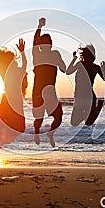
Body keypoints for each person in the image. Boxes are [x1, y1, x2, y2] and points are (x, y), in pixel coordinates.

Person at [0, 38, 27, 150]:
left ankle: (2, 138)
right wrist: (22, 52)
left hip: (12, 99)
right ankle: (1, 138)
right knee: (15, 124)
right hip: (12, 99)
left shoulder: (11, 71)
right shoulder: (9, 71)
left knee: (16, 125)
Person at [32, 18, 66, 147]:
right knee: (40, 118)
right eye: (45, 42)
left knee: (58, 116)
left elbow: (63, 68)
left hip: (48, 93)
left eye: (49, 42)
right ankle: (37, 131)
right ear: (40, 44)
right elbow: (34, 40)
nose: (48, 44)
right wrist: (39, 27)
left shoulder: (54, 54)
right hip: (39, 93)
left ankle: (49, 133)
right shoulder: (37, 54)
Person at [66, 44, 105, 126]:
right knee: (74, 123)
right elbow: (68, 72)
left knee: (89, 122)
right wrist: (74, 59)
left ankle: (100, 105)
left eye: (90, 56)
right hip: (79, 96)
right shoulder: (80, 64)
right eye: (86, 55)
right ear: (84, 56)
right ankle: (96, 108)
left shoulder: (96, 67)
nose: (88, 58)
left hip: (89, 96)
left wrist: (103, 69)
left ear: (93, 56)